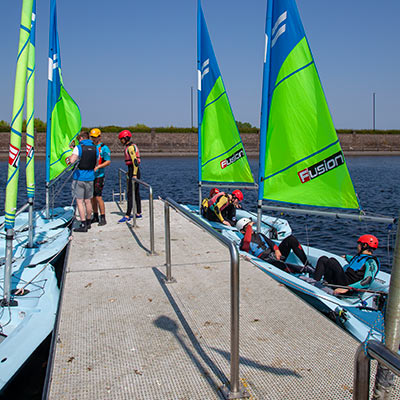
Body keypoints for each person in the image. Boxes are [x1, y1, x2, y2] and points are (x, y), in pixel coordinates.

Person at [236, 218, 314, 274]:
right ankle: (304, 271)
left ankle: (307, 264)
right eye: (247, 227)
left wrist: (277, 250)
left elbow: (272, 244)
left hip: (275, 256)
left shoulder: (260, 235)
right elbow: (247, 241)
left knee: (291, 239)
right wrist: (249, 226)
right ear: (242, 231)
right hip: (266, 262)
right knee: (285, 267)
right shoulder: (243, 243)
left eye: (250, 226)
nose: (250, 228)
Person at [313, 234, 380, 295]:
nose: (357, 246)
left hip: (348, 288)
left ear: (364, 245)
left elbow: (367, 281)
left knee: (332, 261)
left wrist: (347, 288)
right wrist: (346, 256)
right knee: (323, 259)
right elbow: (355, 261)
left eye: (359, 244)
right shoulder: (360, 256)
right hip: (344, 281)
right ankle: (315, 282)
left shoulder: (371, 262)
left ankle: (317, 285)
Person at [66, 131, 98, 232]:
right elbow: (96, 162)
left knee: (79, 201)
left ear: (80, 139)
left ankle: (83, 223)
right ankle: (88, 222)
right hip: (90, 177)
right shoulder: (95, 148)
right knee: (88, 201)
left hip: (79, 178)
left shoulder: (78, 148)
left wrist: (69, 157)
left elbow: (72, 161)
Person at [118, 130, 142, 223]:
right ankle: (139, 212)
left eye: (122, 139)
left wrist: (134, 174)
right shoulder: (131, 146)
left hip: (134, 171)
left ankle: (128, 215)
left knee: (130, 193)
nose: (121, 141)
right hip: (131, 170)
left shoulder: (130, 148)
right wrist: (129, 172)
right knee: (136, 192)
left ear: (126, 138)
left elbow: (135, 162)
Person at [89, 128, 111, 226]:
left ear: (99, 137)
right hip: (90, 175)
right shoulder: (89, 147)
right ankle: (95, 216)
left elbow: (108, 161)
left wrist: (99, 166)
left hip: (99, 175)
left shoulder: (104, 148)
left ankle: (103, 217)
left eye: (95, 137)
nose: (93, 139)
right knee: (92, 197)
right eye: (92, 137)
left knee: (98, 197)